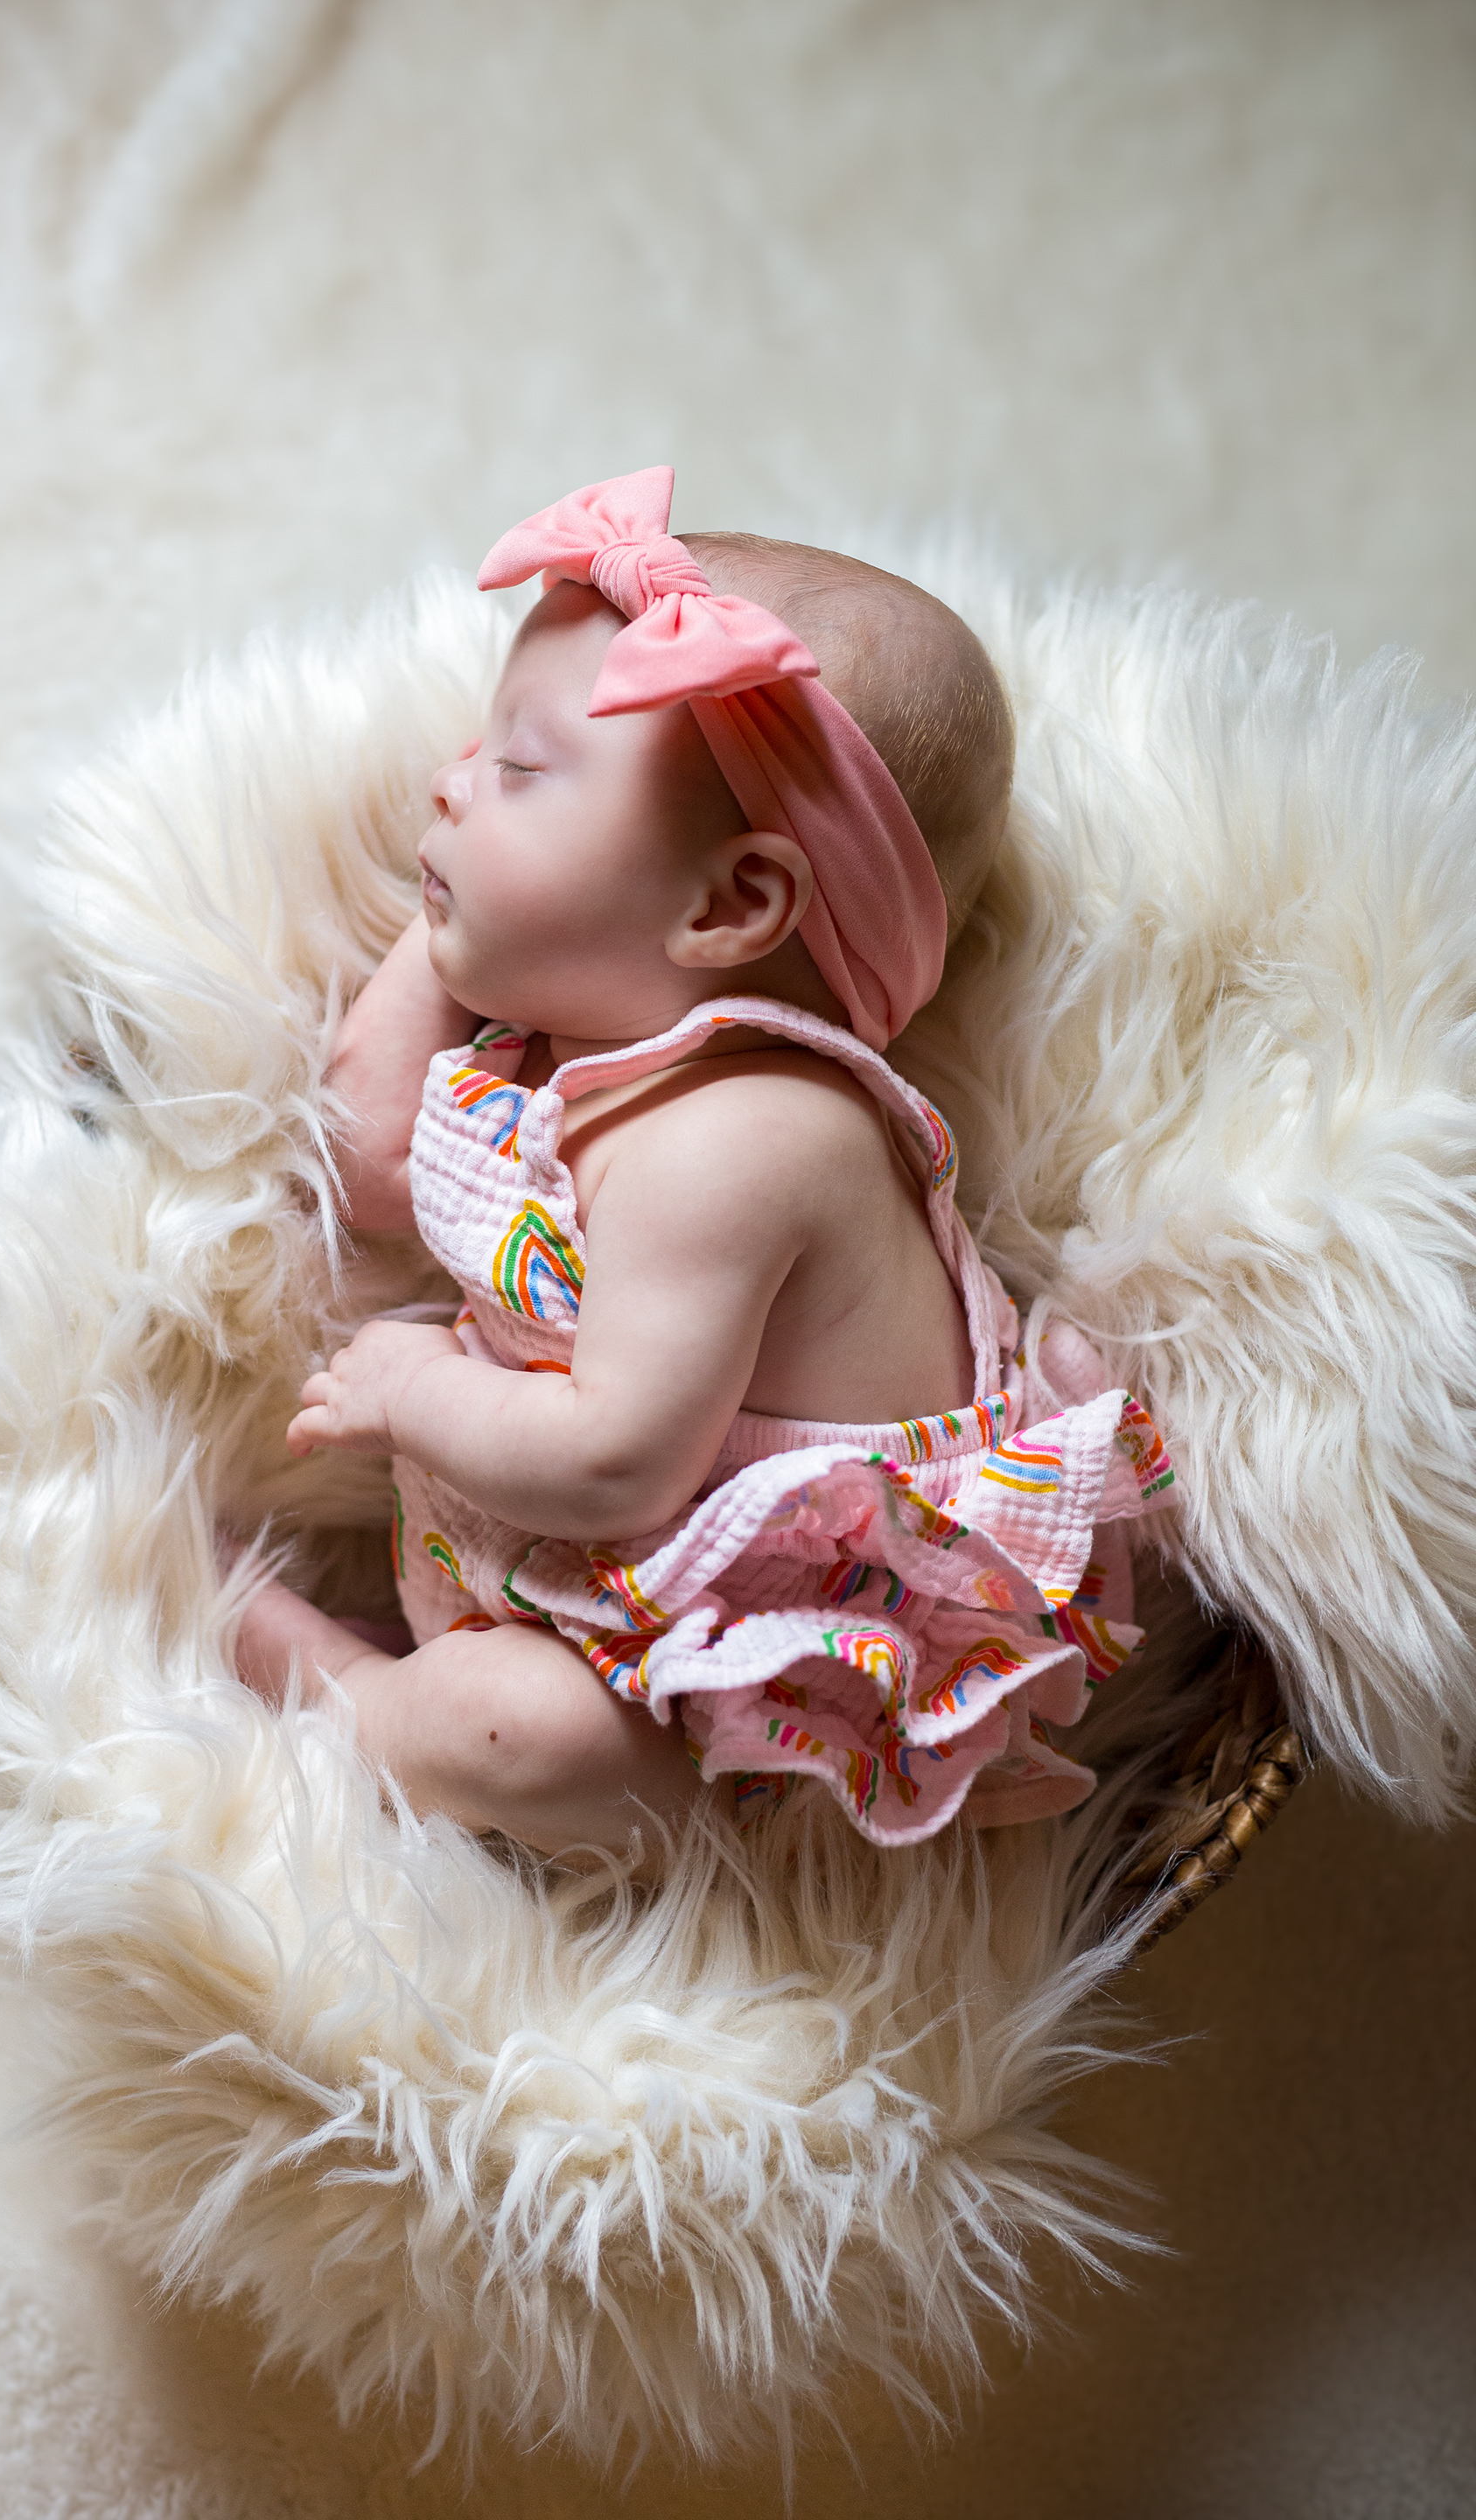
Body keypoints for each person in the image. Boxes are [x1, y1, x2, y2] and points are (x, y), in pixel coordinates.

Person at [234, 468, 1172, 1857]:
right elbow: (368, 1159)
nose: (448, 779)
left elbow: (612, 1461)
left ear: (733, 904)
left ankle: (344, 1690)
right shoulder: (575, 1044)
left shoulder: (747, 1137)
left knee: (525, 1731)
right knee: (518, 1696)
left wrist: (414, 1390)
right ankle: (414, 1679)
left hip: (749, 1702)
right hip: (584, 1584)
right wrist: (462, 920)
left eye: (520, 768)